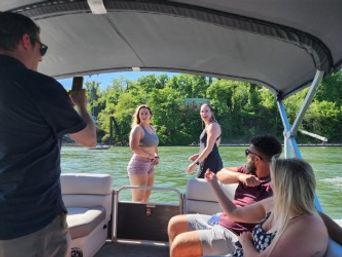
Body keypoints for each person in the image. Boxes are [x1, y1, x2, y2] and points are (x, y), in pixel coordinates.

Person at [0, 11, 96, 257]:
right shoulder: (38, 86)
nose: (40, 58)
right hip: (31, 223)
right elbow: (88, 139)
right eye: (41, 49)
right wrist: (81, 105)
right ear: (25, 41)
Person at [169, 135, 282, 257]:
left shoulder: (274, 187)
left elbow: (237, 215)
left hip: (236, 235)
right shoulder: (247, 170)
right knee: (175, 223)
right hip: (220, 221)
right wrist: (240, 177)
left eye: (247, 152)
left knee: (181, 244)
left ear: (256, 159)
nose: (246, 156)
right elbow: (221, 173)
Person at [205, 158, 329, 257]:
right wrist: (213, 184)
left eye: (273, 180)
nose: (270, 184)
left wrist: (246, 242)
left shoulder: (304, 225)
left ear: (283, 187)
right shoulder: (275, 204)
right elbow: (234, 213)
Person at [127, 104, 160, 202]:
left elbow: (155, 146)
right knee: (139, 198)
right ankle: (134, 217)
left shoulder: (152, 129)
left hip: (150, 165)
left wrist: (156, 156)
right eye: (141, 113)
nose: (144, 115)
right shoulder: (137, 128)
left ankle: (143, 216)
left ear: (150, 115)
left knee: (147, 194)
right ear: (138, 116)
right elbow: (134, 147)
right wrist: (149, 156)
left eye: (146, 113)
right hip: (138, 165)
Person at [186, 103, 223, 178]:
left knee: (198, 188)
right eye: (202, 111)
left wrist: (195, 164)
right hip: (206, 163)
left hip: (212, 165)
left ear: (211, 112)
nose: (204, 113)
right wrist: (199, 155)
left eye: (207, 111)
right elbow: (212, 147)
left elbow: (209, 148)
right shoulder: (208, 126)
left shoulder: (213, 126)